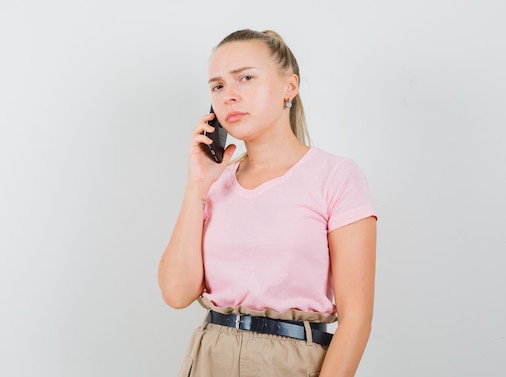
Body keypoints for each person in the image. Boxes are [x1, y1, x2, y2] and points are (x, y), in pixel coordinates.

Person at [158, 29, 377, 377]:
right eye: (217, 86)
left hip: (293, 361)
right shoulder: (215, 184)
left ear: (289, 87)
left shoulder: (336, 176)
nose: (229, 95)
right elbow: (176, 293)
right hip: (210, 356)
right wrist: (196, 187)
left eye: (245, 78)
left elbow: (357, 318)